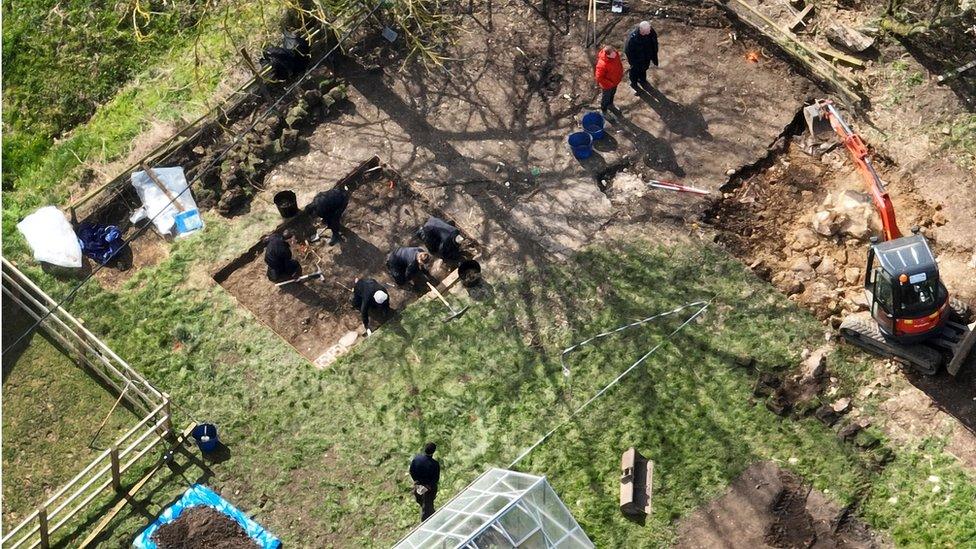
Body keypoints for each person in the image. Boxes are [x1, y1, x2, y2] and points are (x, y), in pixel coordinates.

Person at [624, 21, 659, 92]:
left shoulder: (651, 32)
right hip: (637, 60)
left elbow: (654, 42)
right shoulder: (632, 39)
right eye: (648, 30)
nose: (650, 31)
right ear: (642, 30)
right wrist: (633, 63)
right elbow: (628, 51)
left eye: (650, 29)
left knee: (644, 69)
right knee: (635, 71)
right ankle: (634, 83)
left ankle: (642, 80)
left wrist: (654, 55)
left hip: (647, 57)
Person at [409, 442, 440, 521]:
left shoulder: (416, 459)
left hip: (418, 486)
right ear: (433, 451)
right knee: (427, 506)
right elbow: (435, 479)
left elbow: (411, 471)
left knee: (423, 502)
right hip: (428, 489)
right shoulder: (435, 464)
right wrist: (428, 486)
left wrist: (417, 482)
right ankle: (429, 520)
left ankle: (428, 513)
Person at [594, 45, 624, 115]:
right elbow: (599, 77)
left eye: (614, 52)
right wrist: (610, 83)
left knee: (612, 94)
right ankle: (604, 110)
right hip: (607, 85)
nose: (615, 54)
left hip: (615, 81)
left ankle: (610, 105)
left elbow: (619, 64)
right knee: (606, 98)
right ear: (608, 55)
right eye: (613, 54)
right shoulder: (602, 64)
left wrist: (620, 74)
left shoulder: (615, 54)